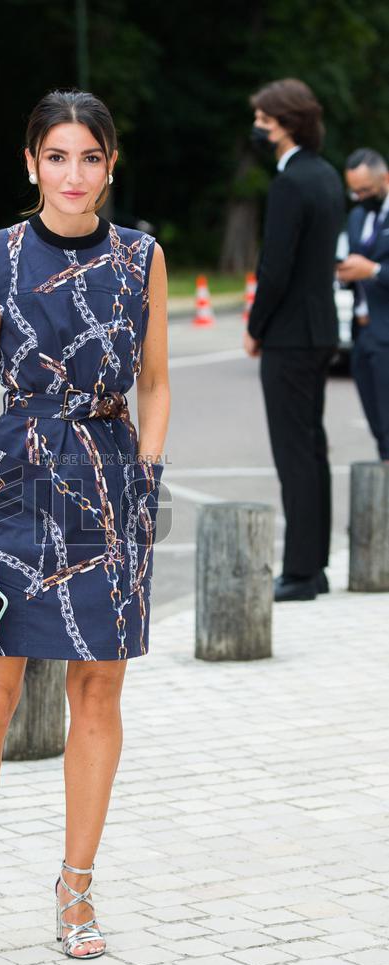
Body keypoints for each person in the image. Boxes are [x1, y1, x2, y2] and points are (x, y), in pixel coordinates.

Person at [0, 89, 169, 965]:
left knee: (98, 693)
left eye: (90, 158)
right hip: (17, 483)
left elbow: (157, 382)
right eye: (56, 156)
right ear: (30, 163)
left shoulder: (143, 257)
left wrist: (146, 485)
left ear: (111, 165)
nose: (73, 175)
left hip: (109, 488)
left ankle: (76, 890)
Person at [245, 78, 345, 602]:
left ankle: (301, 573)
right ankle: (317, 566)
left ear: (284, 122)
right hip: (320, 329)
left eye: (263, 118)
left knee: (294, 455)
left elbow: (275, 269)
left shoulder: (290, 183)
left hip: (288, 336)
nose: (258, 127)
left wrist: (255, 327)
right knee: (313, 449)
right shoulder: (326, 175)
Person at [339, 148, 389, 463]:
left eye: (365, 190)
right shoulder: (357, 215)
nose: (359, 197)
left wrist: (373, 271)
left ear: (385, 179)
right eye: (354, 191)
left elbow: (371, 266)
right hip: (362, 332)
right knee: (377, 422)